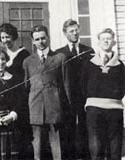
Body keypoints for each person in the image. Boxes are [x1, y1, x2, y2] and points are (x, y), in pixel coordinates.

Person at [23, 25, 66, 160]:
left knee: (56, 147)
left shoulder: (59, 58)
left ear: (48, 38)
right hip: (35, 108)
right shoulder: (28, 61)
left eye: (43, 38)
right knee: (37, 149)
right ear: (33, 41)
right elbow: (25, 86)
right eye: (37, 39)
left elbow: (66, 85)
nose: (40, 42)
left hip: (54, 107)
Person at [81, 28, 125, 160]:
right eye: (103, 38)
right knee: (96, 145)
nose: (106, 40)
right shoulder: (89, 63)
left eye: (109, 38)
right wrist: (92, 100)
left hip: (114, 110)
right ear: (99, 42)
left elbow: (123, 86)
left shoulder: (120, 65)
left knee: (115, 146)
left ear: (114, 42)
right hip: (94, 110)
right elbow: (82, 85)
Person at [55, 19, 94, 160]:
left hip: (85, 97)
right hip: (67, 98)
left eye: (76, 29)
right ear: (65, 33)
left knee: (85, 129)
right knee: (67, 131)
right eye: (71, 31)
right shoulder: (59, 54)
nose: (75, 33)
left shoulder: (88, 51)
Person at [0, 23, 32, 158]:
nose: (5, 40)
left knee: (21, 131)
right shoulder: (1, 54)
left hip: (20, 95)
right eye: (3, 37)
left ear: (14, 36)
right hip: (5, 97)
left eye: (8, 37)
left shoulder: (24, 54)